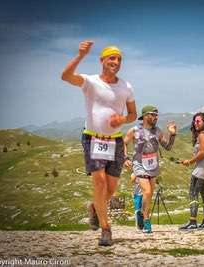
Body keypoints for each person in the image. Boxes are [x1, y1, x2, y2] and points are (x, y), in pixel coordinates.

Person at [61, 41, 137, 246]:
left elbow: (133, 114)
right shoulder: (90, 81)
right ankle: (106, 229)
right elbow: (65, 77)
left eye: (119, 59)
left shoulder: (126, 86)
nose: (116, 62)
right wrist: (79, 56)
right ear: (102, 60)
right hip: (93, 137)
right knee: (100, 183)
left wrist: (121, 120)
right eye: (112, 58)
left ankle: (95, 207)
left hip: (116, 141)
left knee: (110, 189)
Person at [124, 105, 176, 233]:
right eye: (153, 115)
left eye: (157, 115)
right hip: (139, 164)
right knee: (146, 192)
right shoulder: (134, 130)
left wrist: (172, 135)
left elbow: (167, 147)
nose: (156, 117)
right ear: (146, 116)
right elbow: (124, 143)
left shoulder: (158, 131)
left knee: (149, 194)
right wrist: (125, 158)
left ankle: (141, 213)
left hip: (153, 165)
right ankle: (147, 220)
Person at [180, 112, 204, 230]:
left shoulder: (202, 135)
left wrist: (189, 161)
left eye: (198, 121)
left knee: (193, 194)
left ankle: (192, 221)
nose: (195, 123)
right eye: (194, 121)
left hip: (200, 170)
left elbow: (202, 153)